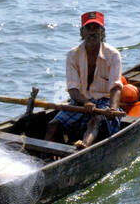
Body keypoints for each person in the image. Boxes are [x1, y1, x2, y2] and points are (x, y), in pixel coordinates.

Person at [45, 11, 123, 148]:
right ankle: (44, 155)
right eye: (88, 28)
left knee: (96, 121)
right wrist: (86, 102)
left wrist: (113, 109)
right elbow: (73, 89)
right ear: (82, 33)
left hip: (103, 103)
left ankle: (83, 147)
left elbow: (116, 87)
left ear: (102, 32)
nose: (92, 32)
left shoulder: (113, 55)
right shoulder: (72, 55)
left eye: (96, 28)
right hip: (79, 101)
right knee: (53, 125)